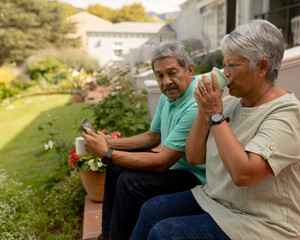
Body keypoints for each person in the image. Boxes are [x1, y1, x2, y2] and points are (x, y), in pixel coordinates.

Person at [130, 19, 300, 240]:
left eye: (232, 65)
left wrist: (215, 115)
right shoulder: (234, 104)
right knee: (152, 209)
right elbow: (194, 156)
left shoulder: (286, 112)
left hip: (260, 223)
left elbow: (244, 174)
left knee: (165, 233)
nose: (226, 72)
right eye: (225, 65)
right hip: (217, 200)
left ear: (262, 67)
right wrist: (203, 110)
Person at [81, 41, 206, 240]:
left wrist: (107, 152)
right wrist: (108, 142)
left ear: (189, 70)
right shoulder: (169, 96)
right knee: (114, 168)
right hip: (174, 166)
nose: (166, 82)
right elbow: (152, 136)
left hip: (195, 177)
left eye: (172, 73)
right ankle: (107, 235)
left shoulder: (194, 104)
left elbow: (162, 162)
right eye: (160, 76)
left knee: (130, 182)